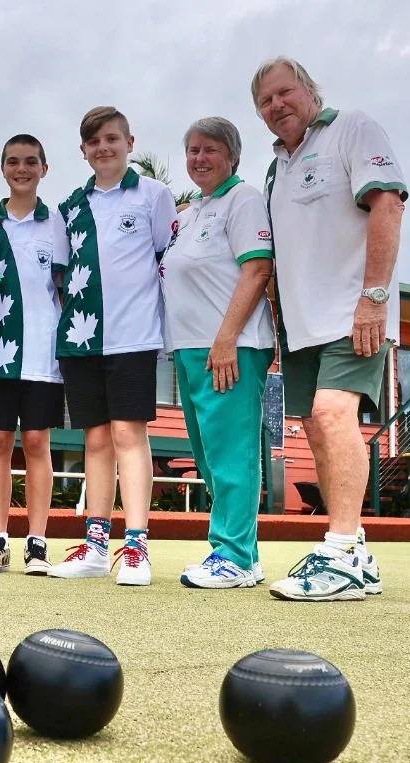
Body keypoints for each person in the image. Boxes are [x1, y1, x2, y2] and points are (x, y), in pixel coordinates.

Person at [252, 56, 407, 601]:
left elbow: (387, 203)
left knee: (331, 413)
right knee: (315, 427)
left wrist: (374, 297)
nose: (276, 106)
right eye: (265, 101)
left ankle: (338, 551)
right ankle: (358, 553)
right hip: (300, 325)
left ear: (310, 91)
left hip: (352, 309)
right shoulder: (276, 167)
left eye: (284, 92)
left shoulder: (352, 129)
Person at [47, 106, 178, 587]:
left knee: (129, 436)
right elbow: (61, 278)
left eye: (111, 139)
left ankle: (137, 547)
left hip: (135, 337)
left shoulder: (154, 195)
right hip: (81, 340)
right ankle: (96, 547)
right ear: (83, 151)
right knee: (96, 440)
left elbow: (169, 261)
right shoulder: (70, 207)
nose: (103, 147)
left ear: (129, 142)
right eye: (93, 142)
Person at [160, 117, 275, 589]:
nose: (199, 158)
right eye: (192, 150)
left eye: (210, 149)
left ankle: (234, 555)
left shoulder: (243, 199)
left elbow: (258, 270)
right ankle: (243, 550)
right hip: (188, 350)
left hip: (230, 347)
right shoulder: (189, 215)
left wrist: (226, 338)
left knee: (232, 453)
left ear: (232, 156)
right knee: (208, 458)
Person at [0, 134, 66, 576]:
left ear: (44, 168)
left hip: (44, 355)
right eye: (13, 161)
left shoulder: (59, 223)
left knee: (36, 442)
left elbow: (66, 290)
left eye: (30, 161)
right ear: (3, 168)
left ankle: (38, 542)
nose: (21, 169)